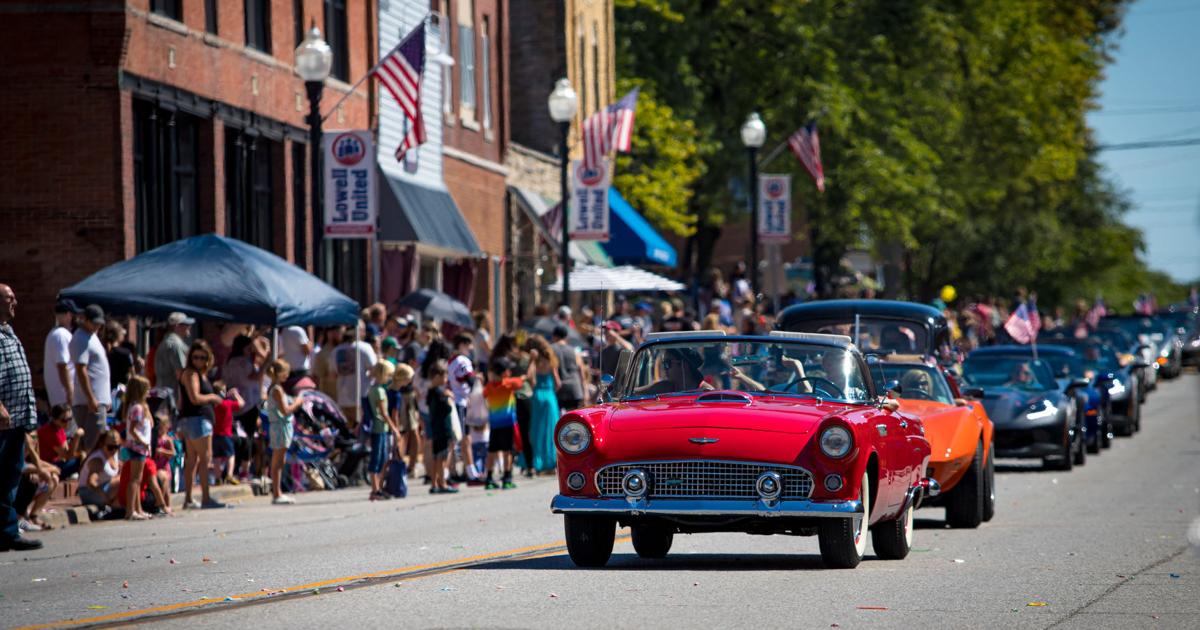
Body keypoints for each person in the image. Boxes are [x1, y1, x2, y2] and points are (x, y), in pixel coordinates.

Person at [0, 283, 42, 551]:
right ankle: (7, 531)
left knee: (9, 476)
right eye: (9, 298)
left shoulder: (8, 332)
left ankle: (6, 532)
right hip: (3, 419)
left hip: (16, 419)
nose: (15, 302)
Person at [178, 340, 224, 509]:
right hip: (197, 420)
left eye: (203, 357)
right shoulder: (191, 374)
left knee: (193, 460)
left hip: (193, 420)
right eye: (196, 357)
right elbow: (194, 398)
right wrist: (213, 397)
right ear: (191, 357)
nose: (199, 361)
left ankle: (189, 499)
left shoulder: (199, 373)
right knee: (205, 459)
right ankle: (205, 498)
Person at [223, 334, 268, 480]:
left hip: (244, 403)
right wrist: (266, 364)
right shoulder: (239, 362)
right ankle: (242, 469)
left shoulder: (233, 361)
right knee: (246, 438)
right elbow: (253, 377)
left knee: (244, 437)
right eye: (249, 348)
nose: (251, 351)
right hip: (246, 404)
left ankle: (237, 469)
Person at [70, 304, 112, 454]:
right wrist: (91, 398)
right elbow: (81, 369)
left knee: (96, 442)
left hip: (97, 401)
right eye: (94, 322)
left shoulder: (91, 336)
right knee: (92, 445)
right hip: (89, 403)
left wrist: (105, 398)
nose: (97, 326)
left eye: (99, 323)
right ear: (84, 319)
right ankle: (87, 475)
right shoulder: (81, 337)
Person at [265, 359, 304, 505]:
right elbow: (285, 411)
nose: (287, 375)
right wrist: (298, 402)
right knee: (278, 461)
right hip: (280, 427)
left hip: (280, 426)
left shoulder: (275, 388)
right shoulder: (277, 389)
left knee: (279, 460)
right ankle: (276, 493)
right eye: (285, 372)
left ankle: (278, 491)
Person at [482, 359, 522, 490]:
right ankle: (507, 478)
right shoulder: (508, 384)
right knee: (507, 451)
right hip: (507, 423)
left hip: (494, 424)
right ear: (504, 372)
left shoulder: (489, 386)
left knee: (492, 451)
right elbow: (520, 382)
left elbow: (484, 394)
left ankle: (489, 478)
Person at [525, 336, 560, 474]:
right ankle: (551, 463)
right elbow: (558, 383)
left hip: (537, 396)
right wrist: (550, 390)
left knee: (536, 432)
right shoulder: (551, 360)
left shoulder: (535, 361)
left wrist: (532, 361)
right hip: (550, 397)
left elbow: (531, 380)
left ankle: (536, 462)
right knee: (551, 431)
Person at [334, 321, 378, 431]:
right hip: (361, 397)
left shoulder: (336, 350)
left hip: (343, 397)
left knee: (347, 430)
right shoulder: (365, 348)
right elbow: (375, 369)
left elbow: (333, 374)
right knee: (361, 431)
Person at [121, 375, 153, 521]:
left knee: (138, 479)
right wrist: (144, 442)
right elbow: (133, 430)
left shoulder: (139, 407)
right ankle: (130, 510)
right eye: (146, 390)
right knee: (134, 479)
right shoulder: (137, 408)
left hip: (140, 447)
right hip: (137, 446)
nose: (149, 392)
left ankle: (138, 509)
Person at [447, 333, 478, 482]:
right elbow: (469, 379)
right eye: (469, 345)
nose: (471, 348)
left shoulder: (451, 360)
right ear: (462, 345)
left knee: (456, 438)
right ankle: (470, 472)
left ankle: (453, 471)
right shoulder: (463, 360)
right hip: (461, 402)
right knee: (465, 439)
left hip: (454, 400)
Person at [366, 361, 398, 501]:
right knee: (377, 458)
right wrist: (394, 428)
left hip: (380, 428)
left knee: (382, 457)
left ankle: (378, 487)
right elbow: (384, 413)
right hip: (379, 428)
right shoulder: (378, 391)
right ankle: (375, 489)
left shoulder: (375, 389)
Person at [425, 361, 458, 494]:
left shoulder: (430, 392)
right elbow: (447, 408)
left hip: (435, 428)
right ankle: (442, 483)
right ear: (437, 377)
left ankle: (434, 483)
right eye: (444, 377)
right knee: (442, 458)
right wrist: (450, 397)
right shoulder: (441, 393)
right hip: (444, 428)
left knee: (436, 457)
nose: (445, 380)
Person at [42, 299, 76, 413]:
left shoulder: (56, 333)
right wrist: (70, 392)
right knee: (70, 430)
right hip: (64, 399)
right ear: (68, 314)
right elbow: (62, 365)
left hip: (60, 398)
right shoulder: (61, 335)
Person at [389, 363, 421, 477]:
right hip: (405, 397)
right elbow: (394, 415)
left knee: (413, 430)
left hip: (409, 395)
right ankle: (400, 463)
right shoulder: (395, 393)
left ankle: (411, 465)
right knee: (403, 433)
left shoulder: (394, 391)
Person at [209, 381, 244, 485]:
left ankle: (217, 478)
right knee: (231, 455)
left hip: (214, 435)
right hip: (226, 434)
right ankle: (229, 475)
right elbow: (241, 404)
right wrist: (235, 394)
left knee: (216, 458)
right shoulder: (227, 404)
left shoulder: (212, 406)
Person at [78, 429, 121, 510]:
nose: (114, 450)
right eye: (110, 447)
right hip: (89, 492)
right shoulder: (97, 460)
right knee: (123, 481)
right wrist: (104, 497)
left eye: (117, 447)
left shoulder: (114, 454)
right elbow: (91, 482)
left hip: (104, 487)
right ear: (102, 444)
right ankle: (113, 507)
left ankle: (116, 508)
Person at [37, 404, 83, 479]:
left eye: (70, 419)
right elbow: (68, 456)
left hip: (55, 463)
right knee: (82, 461)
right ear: (54, 419)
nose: (67, 423)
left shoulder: (59, 428)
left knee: (83, 456)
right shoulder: (52, 433)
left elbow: (66, 451)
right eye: (64, 420)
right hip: (47, 466)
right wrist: (77, 437)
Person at [154, 312, 193, 395]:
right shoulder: (176, 344)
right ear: (177, 326)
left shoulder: (165, 342)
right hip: (173, 396)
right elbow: (181, 373)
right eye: (186, 324)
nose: (189, 327)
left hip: (163, 393)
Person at [552, 326, 587, 411]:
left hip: (558, 390)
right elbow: (581, 372)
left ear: (554, 336)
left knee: (558, 421)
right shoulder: (575, 351)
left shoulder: (551, 349)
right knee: (572, 421)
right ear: (566, 337)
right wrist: (585, 392)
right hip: (574, 389)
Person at [103, 321, 135, 391]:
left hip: (105, 389)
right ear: (118, 335)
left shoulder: (103, 351)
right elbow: (133, 375)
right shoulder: (126, 353)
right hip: (120, 392)